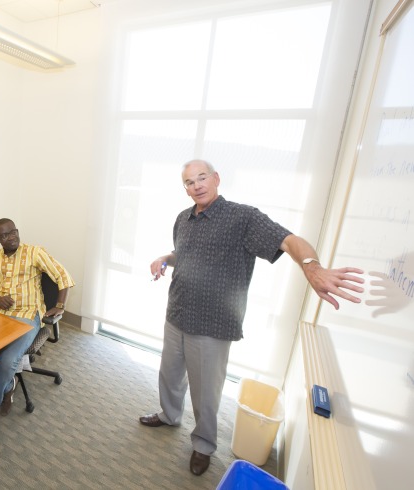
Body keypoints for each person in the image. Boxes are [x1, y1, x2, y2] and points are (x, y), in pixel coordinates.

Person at [139, 160, 365, 476]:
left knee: (206, 391)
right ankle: (169, 414)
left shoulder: (243, 217)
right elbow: (185, 255)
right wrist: (166, 258)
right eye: (189, 182)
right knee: (170, 372)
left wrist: (311, 266)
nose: (197, 186)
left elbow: (288, 241)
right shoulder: (183, 219)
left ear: (216, 178)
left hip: (213, 324)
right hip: (176, 312)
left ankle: (203, 444)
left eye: (202, 178)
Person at [0, 219, 75, 418]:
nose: (10, 238)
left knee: (8, 359)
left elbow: (63, 276)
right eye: (3, 235)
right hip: (0, 314)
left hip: (28, 315)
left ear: (17, 231)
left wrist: (60, 306)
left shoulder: (34, 252)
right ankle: (8, 382)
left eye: (12, 232)